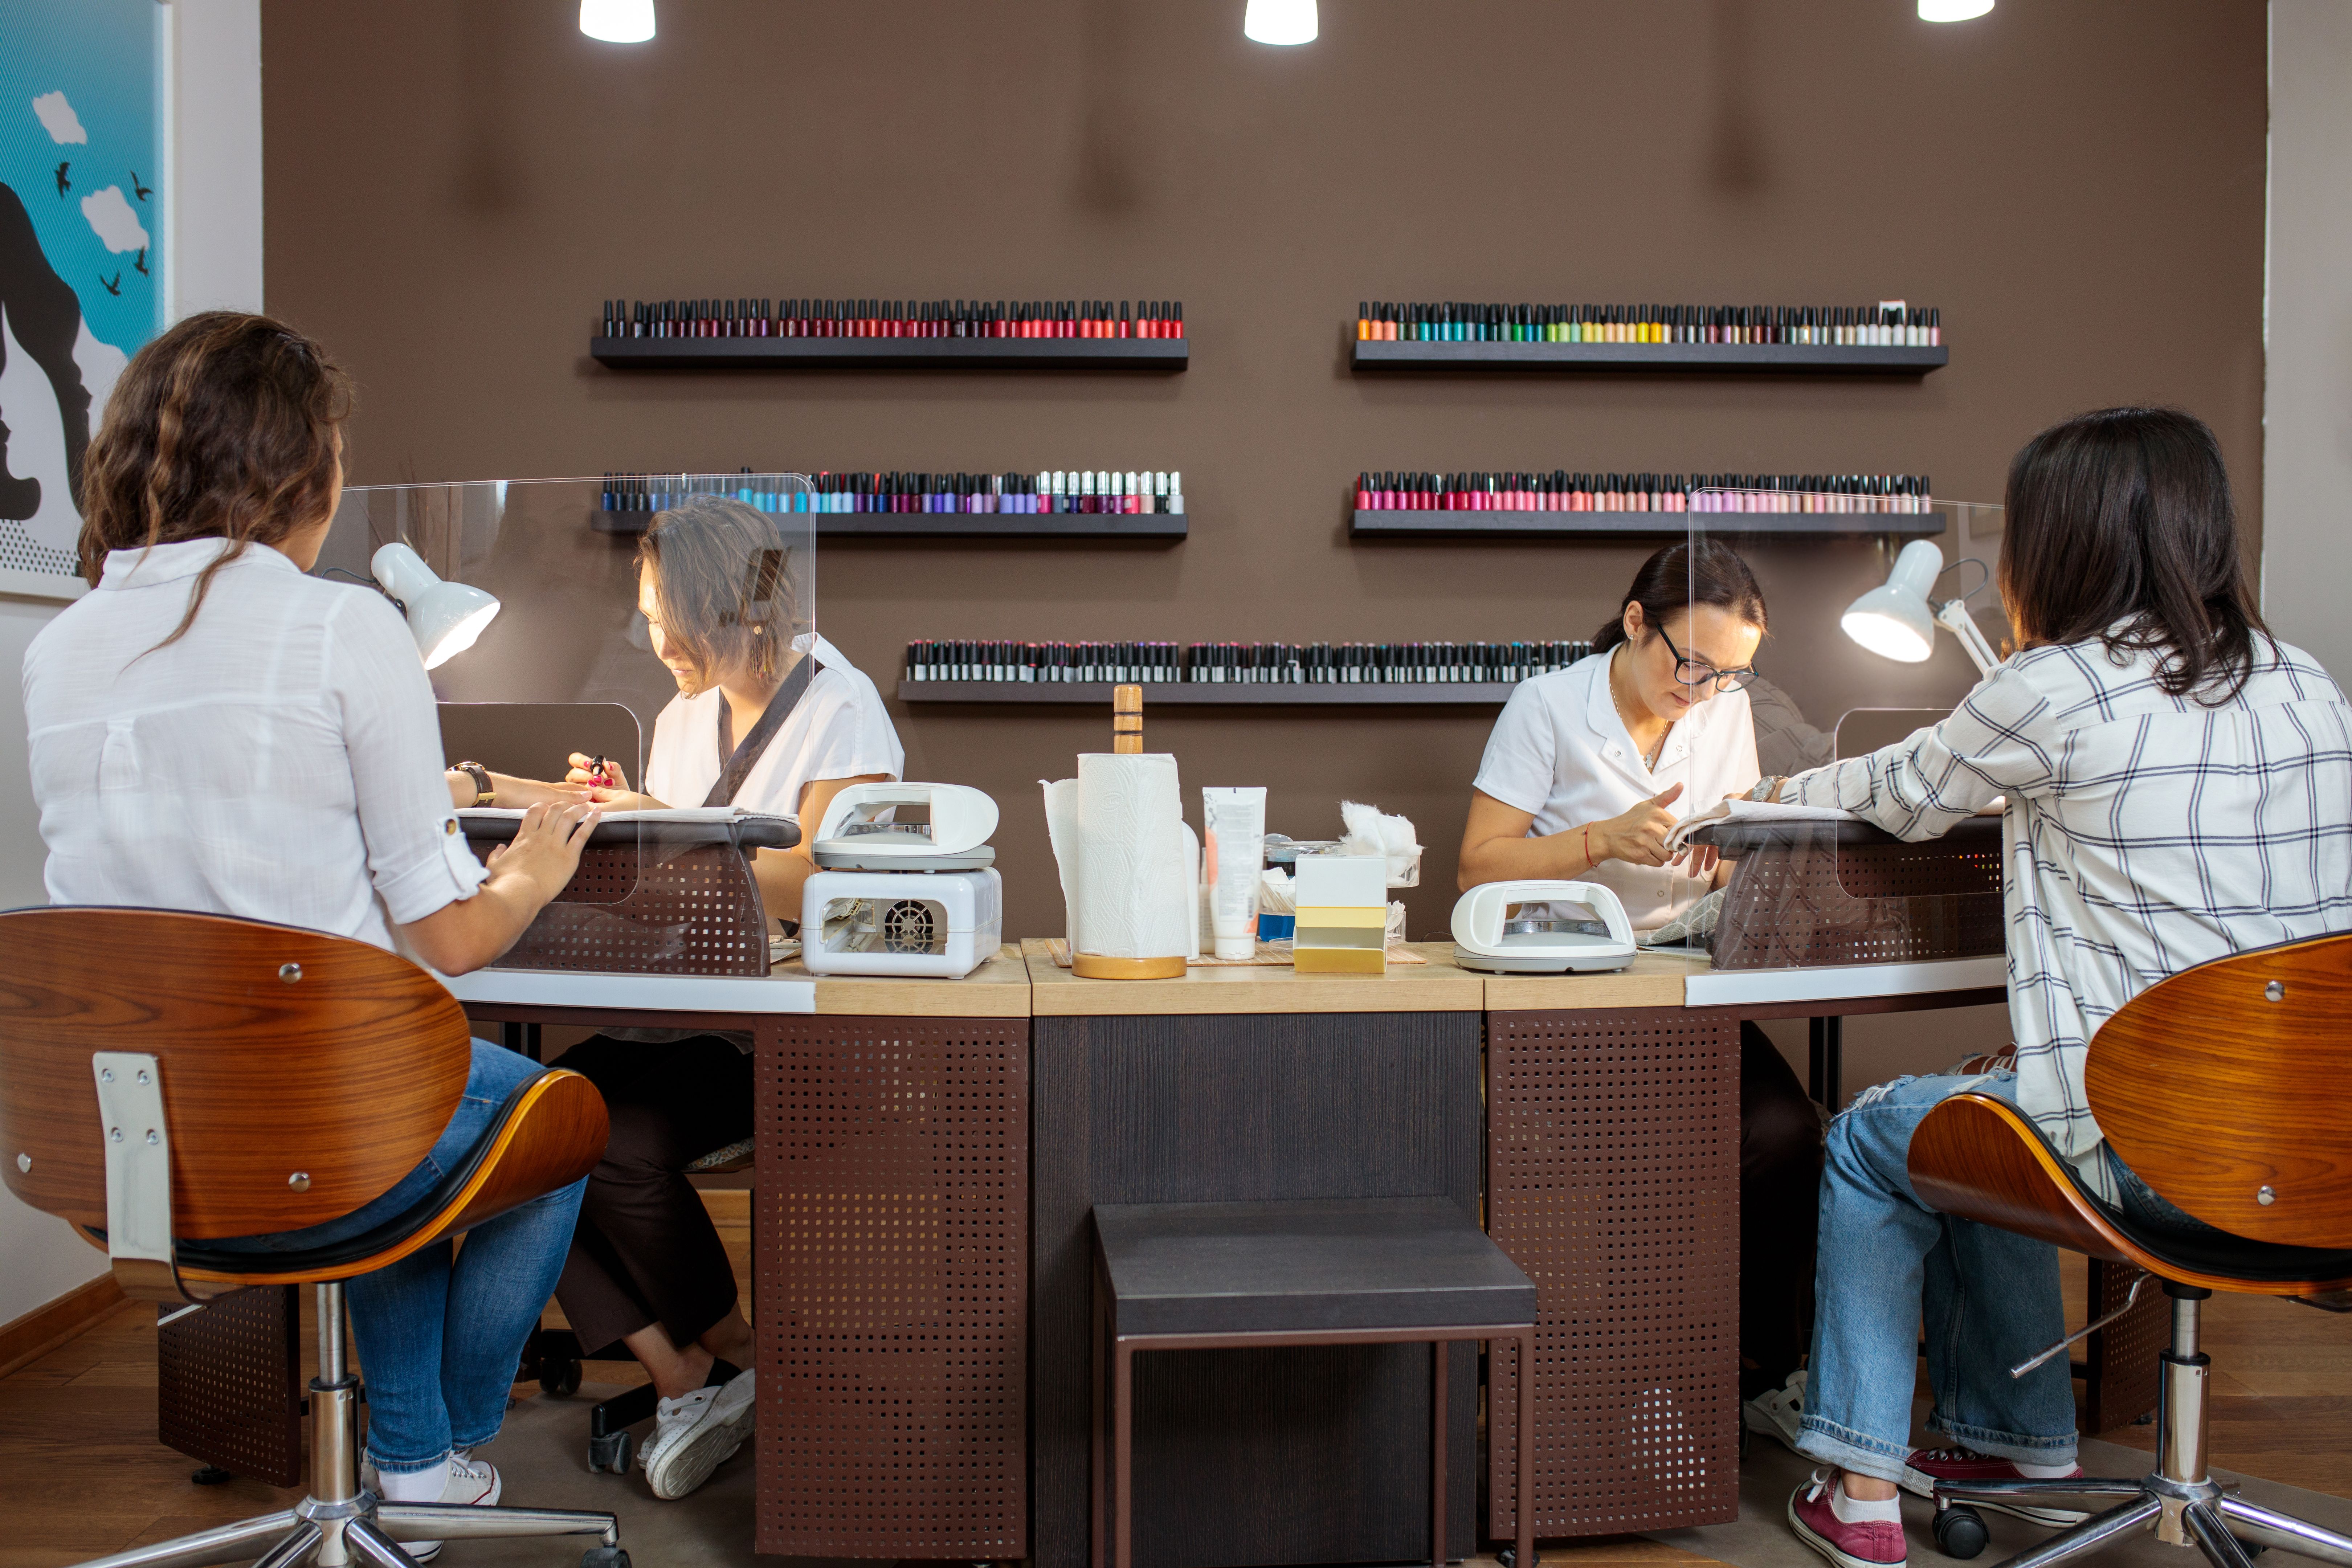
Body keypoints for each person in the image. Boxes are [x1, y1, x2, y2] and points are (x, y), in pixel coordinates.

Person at [21, 311, 603, 1552]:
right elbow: (448, 938)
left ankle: (405, 1455)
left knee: (394, 1111)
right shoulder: (345, 628)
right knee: (551, 1109)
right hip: (328, 1122)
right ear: (303, 468)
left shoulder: (57, 650)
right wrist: (537, 870)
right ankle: (435, 1443)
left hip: (140, 1150)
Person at [1768, 407, 2352, 1568]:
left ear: (2063, 542)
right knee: (1988, 1095)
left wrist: (1780, 783)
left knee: (1876, 1140)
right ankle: (2013, 1437)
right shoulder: (2309, 684)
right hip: (2325, 1161)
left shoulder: (2053, 688)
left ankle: (1860, 1487)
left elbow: (1902, 791)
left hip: (2159, 1158)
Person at [543, 495, 905, 1501]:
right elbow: (674, 882)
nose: (653, 639)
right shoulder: (679, 716)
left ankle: (733, 1355)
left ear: (726, 608)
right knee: (525, 1126)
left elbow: (830, 885)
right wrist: (612, 820)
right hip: (683, 1009)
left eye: (667, 616)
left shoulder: (842, 707)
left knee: (611, 1137)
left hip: (786, 1035)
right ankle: (694, 1372)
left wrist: (660, 821)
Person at [1458, 540, 1825, 1405]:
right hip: (1567, 990)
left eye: (1728, 675)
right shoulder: (1547, 706)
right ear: (1636, 623)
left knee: (1785, 1136)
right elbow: (1477, 867)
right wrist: (1599, 840)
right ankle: (1639, 1380)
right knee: (1652, 1151)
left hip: (1683, 979)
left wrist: (1736, 850)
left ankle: (1760, 1372)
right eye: (1692, 664)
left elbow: (1731, 856)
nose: (1703, 691)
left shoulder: (1723, 711)